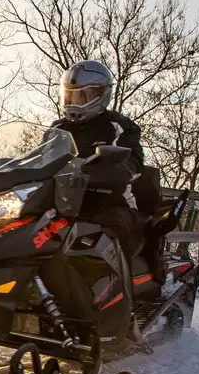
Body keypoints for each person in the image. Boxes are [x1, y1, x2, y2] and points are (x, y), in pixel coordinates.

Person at [48, 59, 164, 272]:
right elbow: (39, 157)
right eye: (71, 94)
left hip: (110, 201)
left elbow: (134, 160)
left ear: (101, 94)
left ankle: (119, 297)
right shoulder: (57, 129)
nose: (75, 100)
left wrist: (116, 170)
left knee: (111, 231)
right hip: (62, 202)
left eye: (84, 95)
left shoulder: (118, 126)